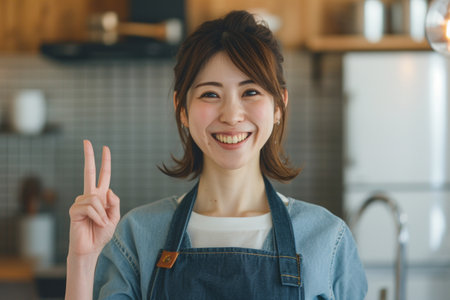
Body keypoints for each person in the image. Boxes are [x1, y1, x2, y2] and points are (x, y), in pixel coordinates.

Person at [65, 10, 368, 300]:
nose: (232, 115)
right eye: (210, 94)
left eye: (250, 92)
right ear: (182, 109)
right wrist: (82, 259)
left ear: (279, 106)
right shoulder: (137, 236)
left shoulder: (327, 239)